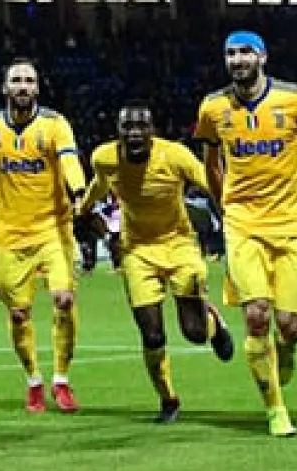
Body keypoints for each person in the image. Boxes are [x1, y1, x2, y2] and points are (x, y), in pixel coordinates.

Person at [194, 31, 297, 437]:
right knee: (256, 316)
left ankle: (287, 347)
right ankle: (275, 409)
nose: (237, 60)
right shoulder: (213, 107)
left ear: (262, 56)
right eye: (230, 53)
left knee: (291, 324)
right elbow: (209, 158)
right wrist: (223, 204)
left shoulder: (296, 99)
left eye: (245, 52)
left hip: (293, 225)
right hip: (244, 226)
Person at [79, 102, 236, 423]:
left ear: (152, 130)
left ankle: (212, 322)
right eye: (128, 128)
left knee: (194, 333)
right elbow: (101, 183)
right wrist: (83, 207)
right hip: (136, 250)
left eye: (141, 127)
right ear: (119, 131)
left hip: (180, 246)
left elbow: (211, 183)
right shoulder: (104, 157)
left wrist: (235, 211)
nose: (134, 133)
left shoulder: (175, 156)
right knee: (152, 335)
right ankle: (168, 399)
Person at [0, 58, 87, 414]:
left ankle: (61, 380)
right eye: (16, 80)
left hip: (53, 229)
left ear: (37, 87)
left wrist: (78, 191)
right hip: (8, 235)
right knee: (19, 314)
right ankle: (34, 380)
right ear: (5, 88)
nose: (22, 86)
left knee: (64, 299)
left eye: (29, 80)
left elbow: (69, 160)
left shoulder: (54, 124)